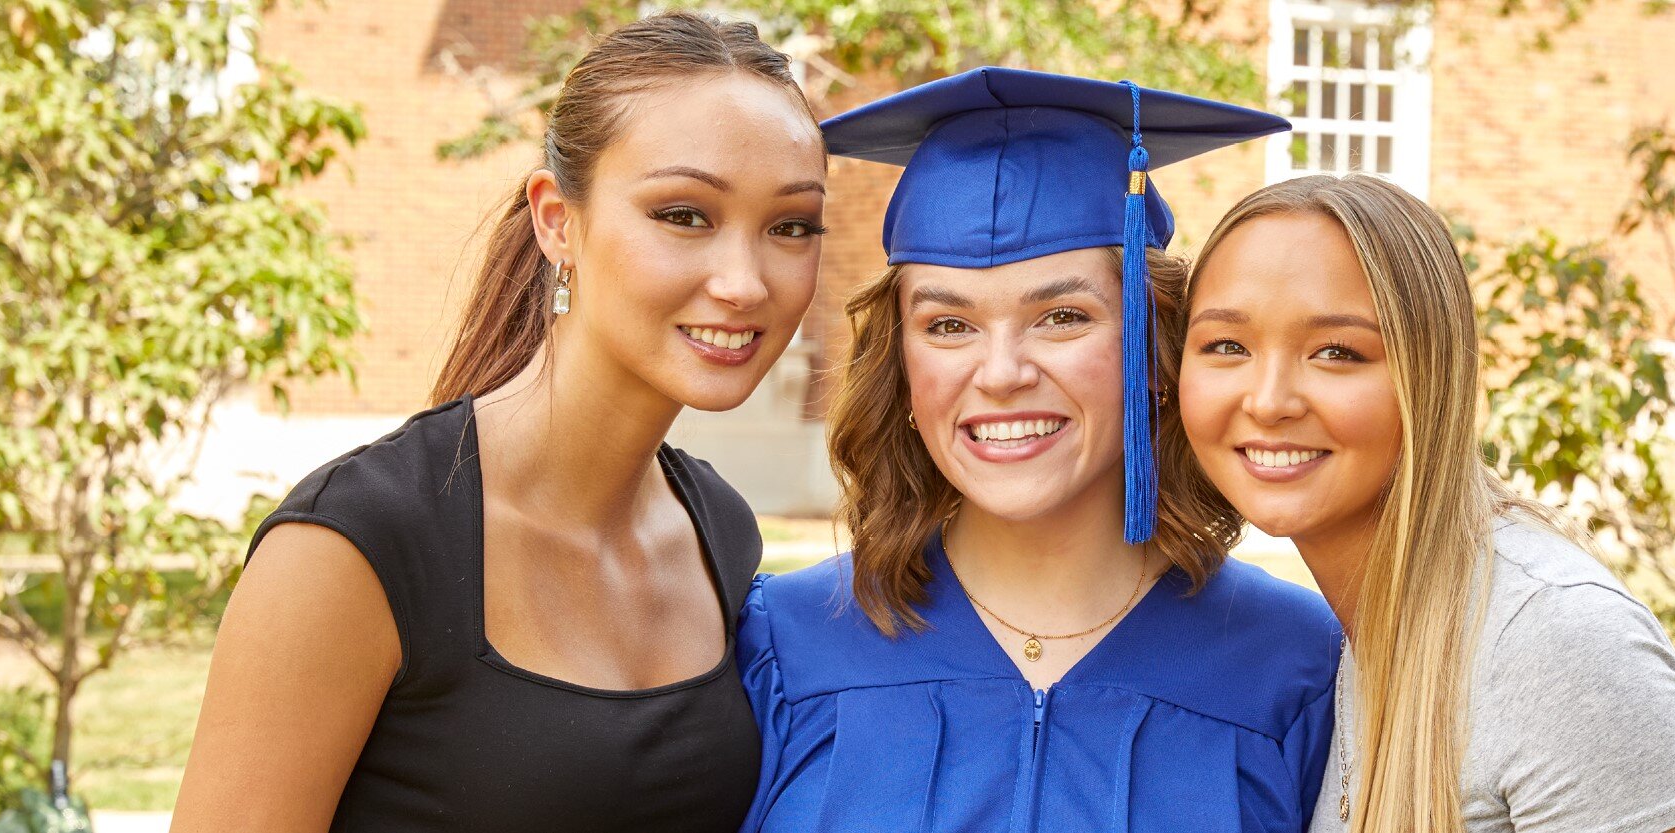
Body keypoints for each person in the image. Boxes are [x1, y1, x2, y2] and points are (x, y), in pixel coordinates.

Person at [170, 12, 826, 831]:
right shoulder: (357, 546)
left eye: (791, 226)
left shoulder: (717, 530)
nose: (744, 280)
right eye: (684, 214)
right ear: (559, 220)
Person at [738, 67, 1340, 832]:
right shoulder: (782, 646)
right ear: (904, 370)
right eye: (948, 325)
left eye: (1061, 315)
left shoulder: (1295, 668)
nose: (1000, 374)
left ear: (1153, 354)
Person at [1175, 174, 1675, 833]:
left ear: (1432, 373)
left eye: (1337, 352)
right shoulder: (1368, 631)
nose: (1268, 400)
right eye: (1228, 346)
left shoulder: (1552, 641)